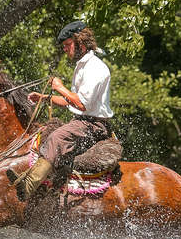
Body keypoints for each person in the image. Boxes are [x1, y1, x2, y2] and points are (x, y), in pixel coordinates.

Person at [7, 20, 113, 201]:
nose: (64, 49)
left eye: (67, 45)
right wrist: (44, 98)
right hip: (82, 122)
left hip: (94, 125)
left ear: (80, 41)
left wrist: (60, 86)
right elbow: (69, 100)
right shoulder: (82, 66)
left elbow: (81, 104)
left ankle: (29, 186)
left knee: (56, 137)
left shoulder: (95, 68)